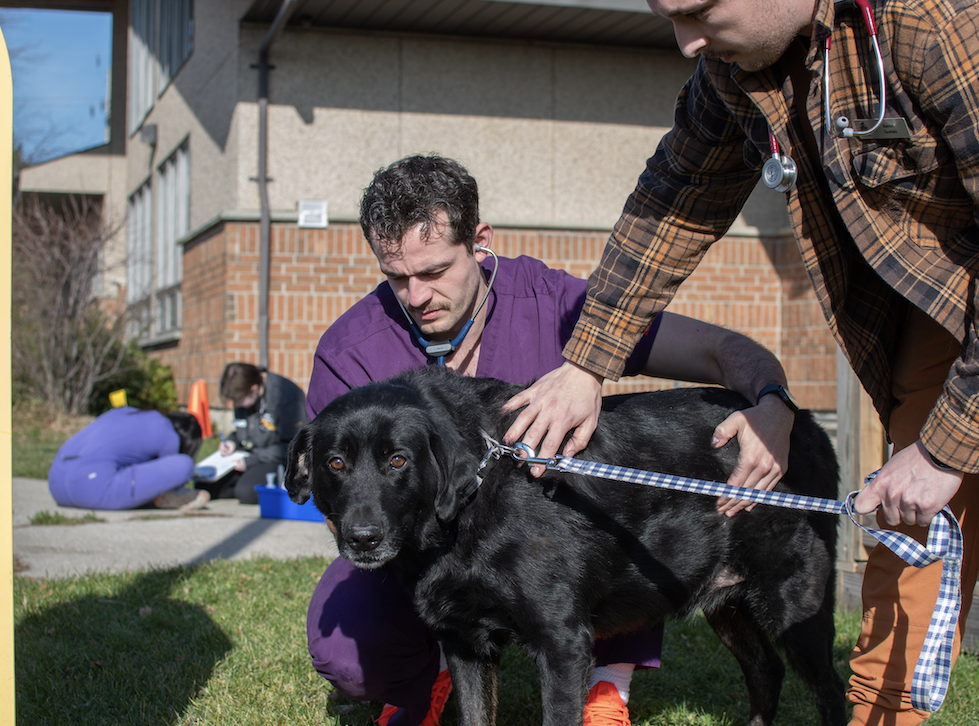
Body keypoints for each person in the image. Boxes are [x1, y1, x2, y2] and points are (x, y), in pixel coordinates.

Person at [502, 2, 979, 725]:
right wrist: (586, 366)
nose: (685, 42)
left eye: (699, 11)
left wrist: (951, 446)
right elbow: (677, 197)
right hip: (949, 303)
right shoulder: (737, 67)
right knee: (905, 552)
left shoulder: (947, 17)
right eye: (668, 15)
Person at [306, 155, 802, 726]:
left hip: (568, 548)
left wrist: (772, 401)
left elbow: (721, 351)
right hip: (421, 555)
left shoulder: (558, 305)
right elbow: (339, 501)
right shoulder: (351, 352)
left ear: (480, 241)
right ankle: (439, 670)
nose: (416, 297)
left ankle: (606, 685)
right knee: (347, 650)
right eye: (398, 277)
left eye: (436, 271)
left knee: (591, 507)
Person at [48, 407, 209, 511]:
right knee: (184, 465)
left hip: (56, 483)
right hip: (90, 489)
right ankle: (158, 500)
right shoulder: (170, 436)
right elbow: (171, 478)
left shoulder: (124, 411)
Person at [203, 362, 307, 504]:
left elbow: (293, 447)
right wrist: (232, 441)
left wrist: (251, 461)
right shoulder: (243, 394)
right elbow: (241, 428)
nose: (236, 404)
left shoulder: (286, 396)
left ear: (254, 389)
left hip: (275, 458)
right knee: (205, 484)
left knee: (246, 492)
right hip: (247, 454)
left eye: (238, 400)